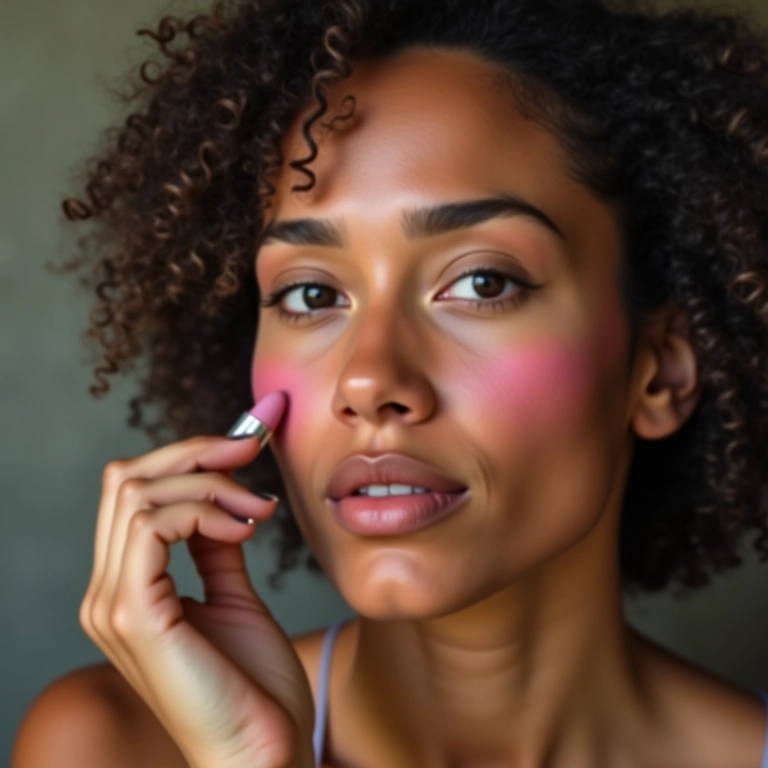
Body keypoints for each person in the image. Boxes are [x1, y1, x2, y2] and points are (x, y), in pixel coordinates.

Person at [11, 0, 768, 765]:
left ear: (660, 371)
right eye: (312, 295)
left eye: (480, 282)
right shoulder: (111, 746)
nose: (369, 379)